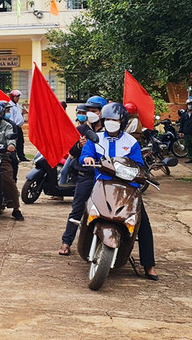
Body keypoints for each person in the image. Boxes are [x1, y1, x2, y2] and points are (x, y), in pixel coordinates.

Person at [80, 102, 158, 280]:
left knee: (142, 223)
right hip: (102, 183)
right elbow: (86, 154)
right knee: (83, 208)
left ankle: (149, 265)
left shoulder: (131, 142)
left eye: (114, 119)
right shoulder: (96, 138)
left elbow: (138, 164)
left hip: (127, 187)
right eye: (107, 119)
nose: (110, 122)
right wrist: (89, 159)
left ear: (121, 121)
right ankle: (70, 241)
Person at [58, 95, 106, 255]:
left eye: (94, 111)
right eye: (88, 111)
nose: (90, 114)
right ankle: (66, 242)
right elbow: (71, 153)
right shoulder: (80, 130)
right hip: (85, 175)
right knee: (77, 208)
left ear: (102, 112)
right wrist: (79, 145)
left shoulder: (109, 132)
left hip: (105, 177)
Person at [8, 90, 28, 161]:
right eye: (16, 97)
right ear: (12, 97)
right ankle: (14, 157)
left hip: (19, 127)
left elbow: (17, 116)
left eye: (18, 97)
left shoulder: (17, 105)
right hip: (14, 126)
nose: (18, 98)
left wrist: (22, 113)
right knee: (14, 142)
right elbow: (12, 118)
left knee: (20, 141)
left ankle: (21, 156)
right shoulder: (10, 106)